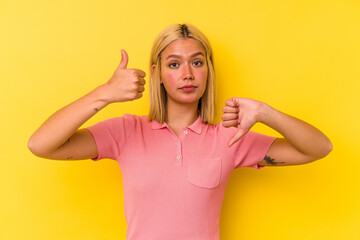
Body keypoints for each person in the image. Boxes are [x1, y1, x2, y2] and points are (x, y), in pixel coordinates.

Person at [28, 23, 332, 240]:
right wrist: (104, 93)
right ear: (157, 74)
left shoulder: (229, 137)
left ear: (208, 71)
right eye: (174, 64)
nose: (187, 74)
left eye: (196, 63)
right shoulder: (125, 132)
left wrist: (266, 113)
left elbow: (319, 148)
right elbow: (41, 145)